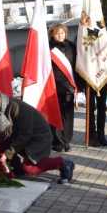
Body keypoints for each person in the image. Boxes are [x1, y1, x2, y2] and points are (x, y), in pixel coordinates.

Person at [0, 86, 75, 184]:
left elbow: (25, 135)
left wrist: (8, 154)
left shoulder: (17, 107)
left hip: (38, 137)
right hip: (17, 136)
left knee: (30, 169)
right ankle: (17, 169)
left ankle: (63, 163)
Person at [48, 24, 78, 152]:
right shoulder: (48, 47)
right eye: (57, 33)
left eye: (62, 32)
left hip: (69, 87)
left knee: (68, 115)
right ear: (52, 34)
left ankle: (66, 140)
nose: (60, 35)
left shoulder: (71, 46)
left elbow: (76, 65)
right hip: (54, 86)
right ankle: (57, 141)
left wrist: (77, 84)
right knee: (56, 115)